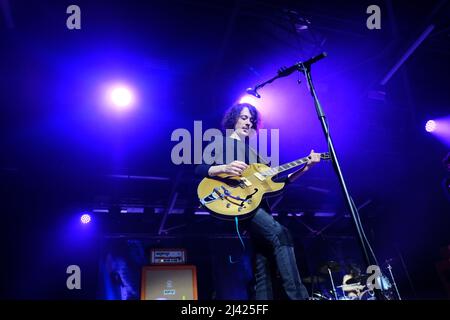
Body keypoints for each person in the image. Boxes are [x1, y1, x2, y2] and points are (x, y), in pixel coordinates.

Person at [195, 103, 322, 300]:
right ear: (234, 119)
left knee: (264, 262)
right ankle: (299, 297)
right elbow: (199, 169)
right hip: (237, 202)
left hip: (257, 205)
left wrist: (305, 168)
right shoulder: (221, 142)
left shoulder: (257, 155)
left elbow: (279, 183)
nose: (248, 122)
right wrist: (224, 167)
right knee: (282, 235)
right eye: (244, 117)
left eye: (251, 119)